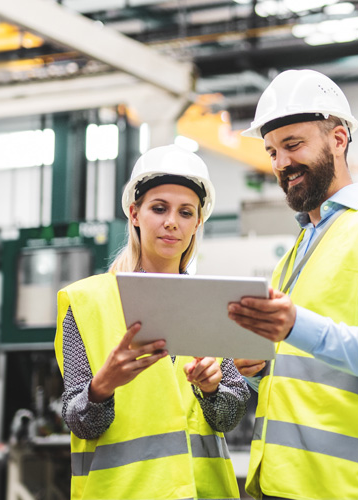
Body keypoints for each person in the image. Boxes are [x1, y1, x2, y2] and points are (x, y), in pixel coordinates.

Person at [228, 69, 358, 500]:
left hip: (346, 489)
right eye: (271, 152)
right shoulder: (296, 251)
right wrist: (261, 368)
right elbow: (308, 369)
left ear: (338, 139)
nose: (281, 163)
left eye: (293, 145)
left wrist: (292, 326)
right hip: (281, 483)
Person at [54, 144, 250, 500]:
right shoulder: (87, 303)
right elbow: (79, 422)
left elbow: (228, 417)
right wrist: (102, 387)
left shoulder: (213, 301)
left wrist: (212, 391)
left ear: (197, 222)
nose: (172, 221)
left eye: (186, 212)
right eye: (159, 208)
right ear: (134, 213)